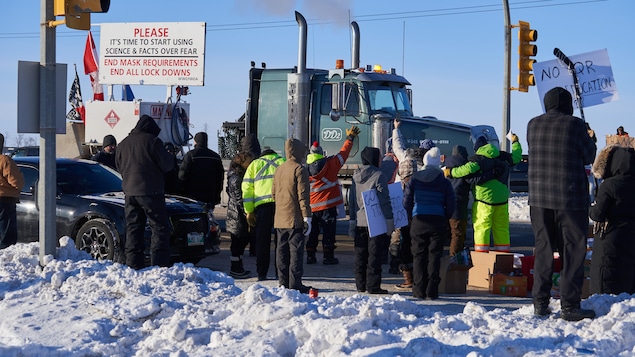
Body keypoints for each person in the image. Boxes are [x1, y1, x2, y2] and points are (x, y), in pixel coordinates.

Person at [527, 86, 597, 321]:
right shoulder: (575, 125)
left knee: (545, 249)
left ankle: (540, 302)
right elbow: (589, 156)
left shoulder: (533, 124)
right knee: (573, 250)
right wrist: (591, 138)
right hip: (570, 198)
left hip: (538, 198)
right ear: (569, 105)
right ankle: (569, 306)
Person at [115, 114, 176, 269]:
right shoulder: (153, 142)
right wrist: (170, 157)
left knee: (133, 228)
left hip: (129, 192)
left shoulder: (123, 144)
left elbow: (118, 166)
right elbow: (167, 165)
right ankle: (159, 264)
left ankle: (133, 263)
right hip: (151, 191)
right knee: (159, 228)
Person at [447, 134, 522, 252]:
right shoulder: (502, 156)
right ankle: (502, 257)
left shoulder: (478, 159)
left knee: (482, 228)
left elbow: (466, 170)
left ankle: (481, 257)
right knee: (501, 229)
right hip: (502, 200)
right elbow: (517, 157)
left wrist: (450, 172)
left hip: (484, 201)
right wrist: (515, 142)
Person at [404, 147, 455, 299]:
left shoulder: (414, 178)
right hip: (437, 221)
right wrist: (445, 217)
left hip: (418, 219)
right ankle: (432, 291)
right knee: (434, 256)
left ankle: (419, 290)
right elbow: (451, 204)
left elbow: (406, 200)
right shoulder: (444, 181)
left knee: (418, 256)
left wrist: (411, 216)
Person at [306, 125, 360, 265]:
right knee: (329, 232)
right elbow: (344, 153)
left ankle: (310, 256)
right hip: (328, 206)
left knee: (313, 232)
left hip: (312, 207)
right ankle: (328, 257)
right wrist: (350, 138)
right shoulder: (331, 163)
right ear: (321, 152)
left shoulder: (304, 168)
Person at [589, 145, 635, 295]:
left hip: (610, 239)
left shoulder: (609, 185)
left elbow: (597, 214)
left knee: (605, 277)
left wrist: (590, 208)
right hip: (631, 238)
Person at [348, 146, 394, 294]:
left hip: (360, 220)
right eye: (379, 157)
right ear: (373, 158)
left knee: (360, 254)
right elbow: (384, 200)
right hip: (376, 221)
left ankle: (360, 284)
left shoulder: (356, 175)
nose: (381, 160)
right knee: (374, 255)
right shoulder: (379, 175)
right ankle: (373, 286)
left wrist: (353, 220)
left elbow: (352, 200)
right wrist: (389, 220)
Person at [272, 138, 312, 293]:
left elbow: (273, 194)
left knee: (281, 252)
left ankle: (283, 283)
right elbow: (303, 197)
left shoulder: (279, 169)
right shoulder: (299, 170)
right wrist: (307, 217)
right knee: (295, 252)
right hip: (294, 219)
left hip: (279, 218)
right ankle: (295, 284)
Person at [243, 143, 285, 281]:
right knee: (281, 241)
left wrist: (249, 211)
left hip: (261, 208)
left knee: (262, 241)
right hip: (281, 206)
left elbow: (247, 190)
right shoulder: (282, 162)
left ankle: (262, 273)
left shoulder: (254, 165)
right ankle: (281, 273)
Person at [391, 120, 423, 289]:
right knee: (412, 240)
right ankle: (412, 271)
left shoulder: (402, 158)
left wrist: (396, 129)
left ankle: (394, 263)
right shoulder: (420, 167)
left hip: (399, 203)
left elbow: (397, 145)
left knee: (397, 236)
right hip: (414, 212)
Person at [226, 135, 260, 278]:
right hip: (237, 216)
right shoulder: (236, 178)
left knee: (240, 241)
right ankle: (235, 268)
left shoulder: (236, 174)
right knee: (237, 243)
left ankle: (238, 267)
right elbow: (240, 198)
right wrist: (248, 211)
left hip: (236, 214)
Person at [178, 132, 225, 208]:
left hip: (192, 195)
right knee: (208, 216)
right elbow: (220, 177)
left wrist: (180, 192)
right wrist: (217, 195)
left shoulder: (190, 155)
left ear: (195, 141)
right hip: (210, 195)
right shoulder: (215, 156)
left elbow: (182, 175)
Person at [443, 145, 472, 256]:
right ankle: (454, 258)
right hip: (459, 203)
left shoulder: (446, 166)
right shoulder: (465, 167)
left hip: (446, 203)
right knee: (458, 234)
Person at [0, 134, 24, 250]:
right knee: (6, 235)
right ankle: (5, 256)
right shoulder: (4, 160)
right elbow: (16, 181)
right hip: (5, 201)